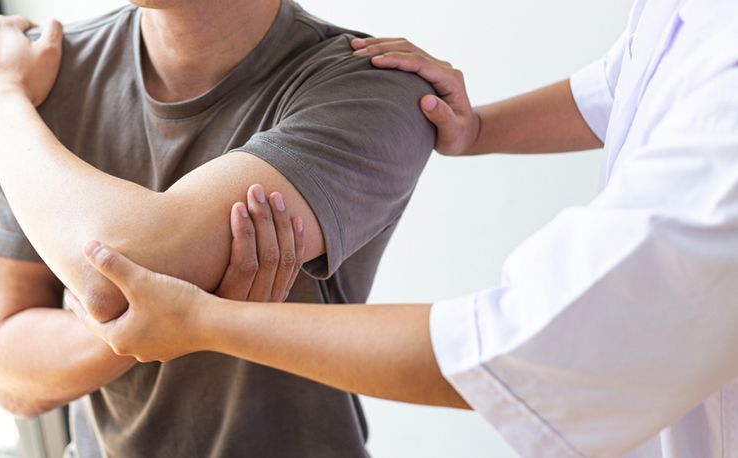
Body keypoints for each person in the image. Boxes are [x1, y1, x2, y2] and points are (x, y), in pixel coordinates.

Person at [64, 0, 738, 456]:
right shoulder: (62, 70)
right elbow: (626, 82)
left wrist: (206, 322)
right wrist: (476, 130)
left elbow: (516, 345)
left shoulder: (356, 86)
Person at [0, 0, 437, 456]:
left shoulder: (374, 88)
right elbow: (9, 372)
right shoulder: (38, 74)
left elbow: (114, 281)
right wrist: (178, 319)